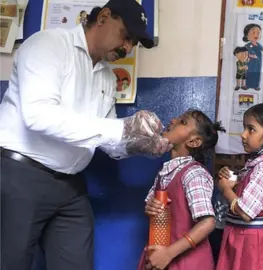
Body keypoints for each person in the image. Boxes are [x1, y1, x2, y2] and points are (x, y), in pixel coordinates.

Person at [0, 1, 170, 269]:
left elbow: (108, 140)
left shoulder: (107, 78)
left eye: (134, 43)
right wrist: (121, 129)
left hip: (70, 185)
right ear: (103, 17)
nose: (127, 48)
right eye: (126, 35)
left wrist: (139, 144)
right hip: (21, 175)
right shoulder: (48, 45)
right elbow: (38, 115)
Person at [138, 109, 224, 270]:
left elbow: (208, 222)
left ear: (193, 142)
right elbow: (150, 206)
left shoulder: (194, 174)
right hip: (159, 257)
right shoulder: (165, 172)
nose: (172, 120)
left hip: (185, 263)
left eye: (182, 122)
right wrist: (150, 207)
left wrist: (169, 253)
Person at [215, 103, 263, 270]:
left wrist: (226, 189)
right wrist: (231, 180)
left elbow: (246, 212)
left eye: (251, 129)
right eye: (244, 128)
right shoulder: (254, 165)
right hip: (240, 237)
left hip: (252, 243)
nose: (243, 135)